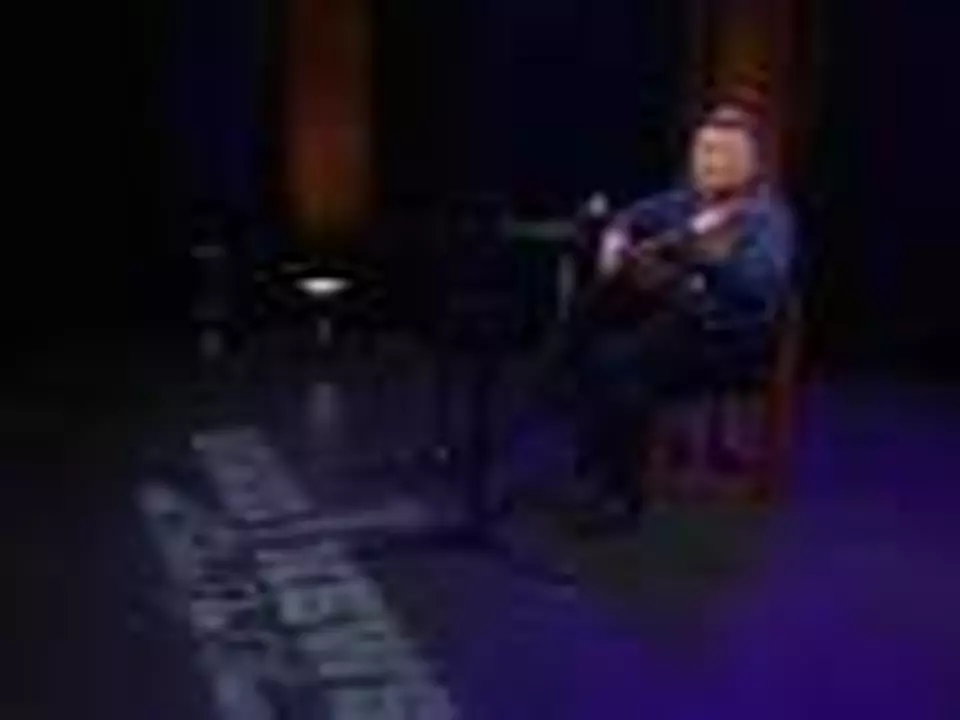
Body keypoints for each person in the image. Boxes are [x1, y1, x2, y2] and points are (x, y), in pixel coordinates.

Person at [547, 103, 795, 520]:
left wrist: (706, 259)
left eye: (722, 153)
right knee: (594, 323)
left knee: (618, 361)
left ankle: (619, 494)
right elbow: (632, 215)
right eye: (702, 151)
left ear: (749, 164)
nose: (709, 162)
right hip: (682, 323)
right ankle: (587, 454)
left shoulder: (768, 218)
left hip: (731, 339)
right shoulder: (685, 201)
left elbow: (760, 287)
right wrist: (616, 235)